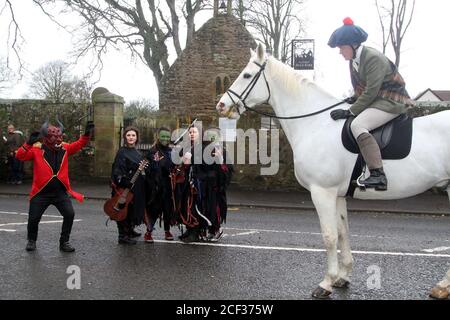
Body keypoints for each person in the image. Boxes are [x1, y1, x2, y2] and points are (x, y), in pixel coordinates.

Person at [328, 17, 413, 191]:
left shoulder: (373, 58)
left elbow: (371, 91)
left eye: (342, 48)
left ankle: (378, 174)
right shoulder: (355, 61)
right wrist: (351, 99)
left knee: (358, 125)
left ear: (353, 45)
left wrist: (351, 111)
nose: (340, 52)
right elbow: (362, 89)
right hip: (378, 99)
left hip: (392, 101)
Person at [16, 119, 94, 252]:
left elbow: (79, 144)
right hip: (40, 193)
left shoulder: (65, 148)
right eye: (53, 136)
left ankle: (64, 242)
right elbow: (20, 156)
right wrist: (28, 143)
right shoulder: (37, 149)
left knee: (69, 214)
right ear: (46, 137)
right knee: (34, 218)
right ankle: (31, 240)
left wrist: (86, 134)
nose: (57, 139)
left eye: (59, 136)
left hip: (60, 193)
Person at [111, 126, 147, 245]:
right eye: (128, 135)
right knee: (123, 210)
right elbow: (117, 170)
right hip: (124, 186)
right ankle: (122, 235)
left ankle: (130, 230)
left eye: (133, 135)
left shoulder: (138, 153)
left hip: (136, 187)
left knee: (132, 209)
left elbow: (141, 170)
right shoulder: (122, 152)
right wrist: (123, 181)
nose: (131, 137)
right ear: (125, 137)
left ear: (137, 138)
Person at [144, 127, 177, 243]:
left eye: (167, 136)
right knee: (154, 210)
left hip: (168, 186)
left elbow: (174, 166)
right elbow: (147, 170)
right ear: (158, 136)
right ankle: (148, 232)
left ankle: (167, 231)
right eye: (163, 136)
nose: (165, 138)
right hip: (155, 187)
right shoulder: (152, 152)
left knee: (167, 209)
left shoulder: (171, 151)